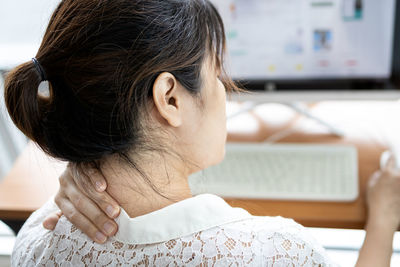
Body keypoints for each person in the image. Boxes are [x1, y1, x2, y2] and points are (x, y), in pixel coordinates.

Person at [4, 0, 400, 266]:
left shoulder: (38, 241)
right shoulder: (280, 253)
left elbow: (49, 219)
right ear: (170, 99)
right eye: (217, 74)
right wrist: (382, 220)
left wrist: (75, 174)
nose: (227, 93)